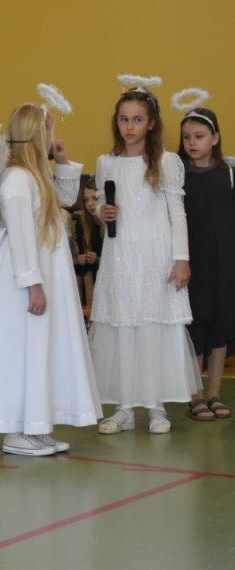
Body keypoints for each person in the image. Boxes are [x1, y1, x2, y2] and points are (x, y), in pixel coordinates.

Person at [0, 103, 101, 456]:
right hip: (28, 279)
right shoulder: (17, 179)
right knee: (27, 350)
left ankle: (36, 425)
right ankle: (16, 430)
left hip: (43, 274)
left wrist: (62, 161)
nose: (54, 137)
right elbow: (21, 237)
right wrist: (32, 284)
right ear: (37, 135)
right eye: (49, 131)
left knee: (42, 349)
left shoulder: (35, 175)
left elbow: (64, 198)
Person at [90, 78, 201, 435]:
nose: (130, 127)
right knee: (123, 327)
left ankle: (156, 407)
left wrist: (181, 258)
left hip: (156, 256)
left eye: (137, 120)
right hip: (120, 255)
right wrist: (102, 212)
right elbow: (103, 207)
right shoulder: (107, 163)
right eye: (124, 119)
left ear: (151, 123)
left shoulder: (166, 162)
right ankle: (124, 408)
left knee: (153, 327)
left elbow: (177, 213)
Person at [175, 97, 234, 421]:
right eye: (187, 137)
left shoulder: (228, 173)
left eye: (199, 136)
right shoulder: (178, 174)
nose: (192, 142)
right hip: (192, 262)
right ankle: (194, 395)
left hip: (224, 264)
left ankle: (214, 393)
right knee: (195, 326)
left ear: (215, 138)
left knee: (220, 326)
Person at [73, 179, 103, 306]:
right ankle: (83, 312)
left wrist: (97, 259)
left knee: (88, 271)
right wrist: (79, 258)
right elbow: (80, 253)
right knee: (81, 268)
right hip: (89, 269)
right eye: (86, 200)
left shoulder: (111, 224)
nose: (90, 204)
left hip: (104, 269)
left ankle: (90, 311)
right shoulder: (82, 224)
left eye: (95, 198)